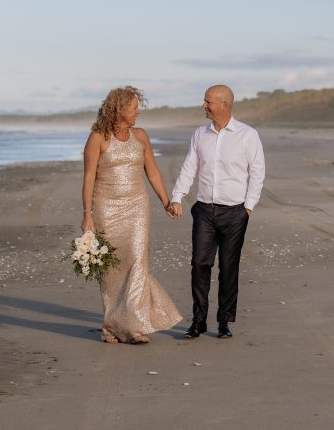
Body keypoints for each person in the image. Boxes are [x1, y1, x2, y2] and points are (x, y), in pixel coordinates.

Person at [81, 86, 183, 344]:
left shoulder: (141, 136)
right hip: (106, 207)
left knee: (138, 262)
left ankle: (134, 327)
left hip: (137, 207)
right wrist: (88, 216)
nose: (138, 111)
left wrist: (166, 202)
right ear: (119, 109)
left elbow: (154, 173)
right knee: (112, 268)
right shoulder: (98, 137)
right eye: (134, 107)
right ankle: (112, 326)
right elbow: (89, 177)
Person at [167, 84, 265, 339]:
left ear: (224, 105)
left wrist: (248, 208)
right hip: (204, 210)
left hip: (235, 212)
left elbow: (257, 172)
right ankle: (198, 321)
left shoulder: (247, 135)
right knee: (200, 264)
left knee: (228, 268)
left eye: (208, 101)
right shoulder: (200, 134)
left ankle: (224, 321)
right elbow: (189, 167)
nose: (204, 106)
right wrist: (177, 197)